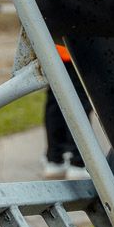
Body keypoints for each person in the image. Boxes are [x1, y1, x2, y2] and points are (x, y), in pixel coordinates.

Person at [42, 43, 94, 180]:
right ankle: (78, 161)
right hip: (73, 42)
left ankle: (55, 159)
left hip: (51, 44)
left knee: (55, 98)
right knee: (78, 100)